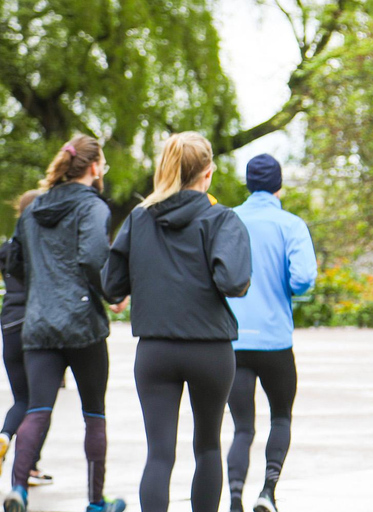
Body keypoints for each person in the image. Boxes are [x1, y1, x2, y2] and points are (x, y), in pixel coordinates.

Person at [101, 132, 252, 512]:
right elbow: (234, 283)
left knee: (159, 455)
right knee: (207, 446)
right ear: (208, 173)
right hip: (210, 349)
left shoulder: (138, 219)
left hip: (155, 350)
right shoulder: (221, 219)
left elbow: (111, 285)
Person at [3, 136, 127, 512]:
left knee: (37, 408)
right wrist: (112, 294)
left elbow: (15, 264)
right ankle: (95, 502)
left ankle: (18, 489)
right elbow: (92, 257)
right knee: (95, 415)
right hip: (82, 324)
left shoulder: (32, 209)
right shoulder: (93, 207)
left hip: (38, 324)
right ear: (93, 167)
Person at [225, 154, 317, 512]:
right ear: (279, 186)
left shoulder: (227, 219)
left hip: (233, 341)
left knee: (242, 428)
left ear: (247, 184)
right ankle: (267, 491)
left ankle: (234, 498)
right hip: (275, 341)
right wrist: (289, 289)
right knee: (280, 416)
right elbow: (303, 278)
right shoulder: (291, 225)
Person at [0, 189, 54, 487]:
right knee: (39, 403)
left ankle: (4, 436)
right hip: (34, 326)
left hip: (8, 326)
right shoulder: (42, 248)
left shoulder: (8, 247)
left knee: (21, 397)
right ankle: (30, 467)